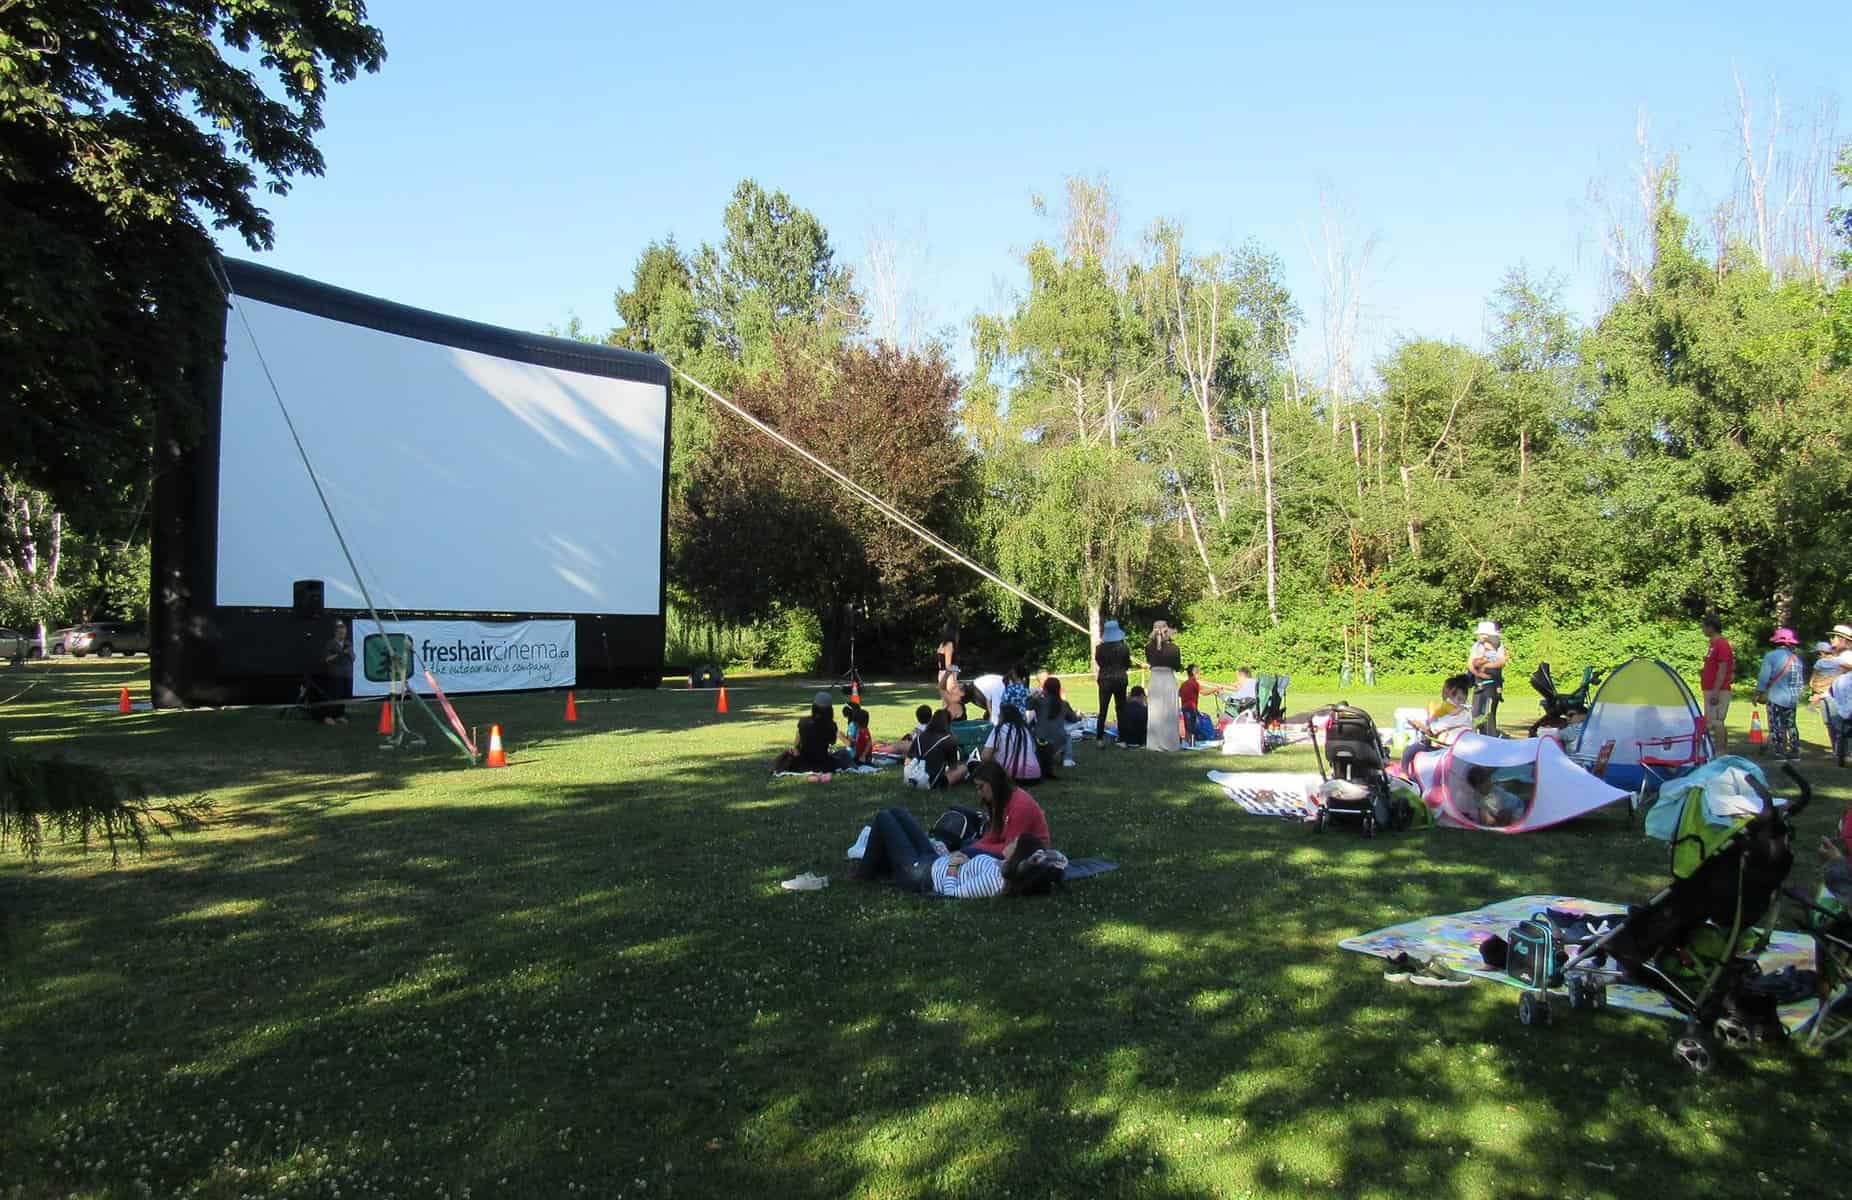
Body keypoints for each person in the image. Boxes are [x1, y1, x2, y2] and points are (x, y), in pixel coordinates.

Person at [848, 809, 1060, 898]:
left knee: (884, 817)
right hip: (933, 861)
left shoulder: (994, 881)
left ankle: (864, 875)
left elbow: (950, 894)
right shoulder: (1001, 866)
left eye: (1015, 842)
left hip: (921, 874)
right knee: (898, 813)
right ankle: (876, 866)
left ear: (1019, 855)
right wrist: (961, 860)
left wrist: (953, 865)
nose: (1011, 840)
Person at [960, 760, 1051, 859]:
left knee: (969, 851)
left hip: (1029, 852)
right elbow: (993, 834)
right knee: (967, 844)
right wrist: (974, 847)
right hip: (1008, 844)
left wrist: (971, 850)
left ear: (994, 783)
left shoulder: (1020, 806)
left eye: (981, 787)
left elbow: (1009, 850)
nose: (979, 793)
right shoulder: (1000, 799)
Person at [1400, 674, 1474, 771]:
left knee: (1410, 750)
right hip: (1447, 747)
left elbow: (1435, 729)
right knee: (1414, 749)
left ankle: (1404, 774)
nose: (1443, 694)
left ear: (1451, 694)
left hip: (1448, 749)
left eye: (1444, 691)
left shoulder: (1461, 713)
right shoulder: (1454, 711)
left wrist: (1424, 723)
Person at [1754, 628, 1805, 761]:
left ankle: (1779, 752)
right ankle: (1794, 752)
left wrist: (1758, 693)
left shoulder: (1770, 656)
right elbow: (1799, 681)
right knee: (1791, 725)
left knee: (1775, 725)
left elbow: (1764, 677)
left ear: (1776, 642)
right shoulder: (1797, 659)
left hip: (1775, 696)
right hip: (1792, 698)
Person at [1144, 620, 1183, 752]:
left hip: (1155, 679)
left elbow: (1150, 661)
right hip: (1168, 679)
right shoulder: (1174, 649)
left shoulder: (1148, 648)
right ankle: (1170, 742)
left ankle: (1154, 742)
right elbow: (1177, 667)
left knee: (1155, 712)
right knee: (1170, 712)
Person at [1699, 615, 1736, 752]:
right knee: (1713, 721)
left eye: (1704, 626)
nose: (1703, 629)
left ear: (1711, 627)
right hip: (1710, 688)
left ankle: (1720, 751)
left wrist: (1716, 690)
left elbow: (1723, 668)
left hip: (1718, 690)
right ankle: (1720, 750)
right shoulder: (1713, 644)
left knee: (1716, 722)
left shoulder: (1721, 644)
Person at [1093, 620, 1132, 749]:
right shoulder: (1124, 648)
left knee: (1103, 708)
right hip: (1120, 678)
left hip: (1104, 679)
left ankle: (1099, 738)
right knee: (1121, 709)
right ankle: (1123, 739)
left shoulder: (1099, 648)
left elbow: (1099, 662)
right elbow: (1127, 664)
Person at [980, 703, 1041, 783]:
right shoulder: (1026, 730)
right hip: (1034, 776)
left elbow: (985, 756)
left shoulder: (999, 730)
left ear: (1003, 716)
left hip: (1010, 776)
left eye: (1000, 714)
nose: (998, 716)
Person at [1031, 676, 1081, 769]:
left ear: (1045, 688)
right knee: (1067, 733)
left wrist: (1035, 696)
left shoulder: (1039, 701)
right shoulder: (1063, 704)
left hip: (1040, 740)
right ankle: (1067, 758)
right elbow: (1073, 719)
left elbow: (1027, 705)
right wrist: (1079, 715)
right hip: (1058, 740)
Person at [904, 709, 963, 789]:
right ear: (948, 723)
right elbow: (953, 767)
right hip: (933, 782)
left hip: (911, 778)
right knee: (963, 768)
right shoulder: (948, 740)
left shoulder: (919, 737)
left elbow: (907, 761)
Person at [1467, 620, 1507, 735]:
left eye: (1481, 634)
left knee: (1489, 712)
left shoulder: (1498, 645)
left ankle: (1490, 735)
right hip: (1479, 683)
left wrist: (1485, 666)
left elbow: (1501, 662)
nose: (1479, 636)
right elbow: (1470, 664)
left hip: (1492, 684)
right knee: (1476, 712)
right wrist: (1478, 672)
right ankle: (1475, 735)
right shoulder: (1477, 646)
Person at [315, 620, 354, 725]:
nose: (343, 634)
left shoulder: (348, 643)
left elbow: (353, 658)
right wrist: (340, 653)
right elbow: (327, 659)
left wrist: (350, 653)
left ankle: (340, 715)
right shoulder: (331, 643)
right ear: (336, 632)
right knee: (333, 696)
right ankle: (327, 716)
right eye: (341, 632)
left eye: (344, 632)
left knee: (344, 696)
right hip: (335, 674)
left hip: (347, 674)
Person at [1179, 664, 1220, 747]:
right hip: (1191, 707)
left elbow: (1179, 693)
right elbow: (1203, 692)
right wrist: (1215, 689)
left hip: (1184, 707)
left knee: (1187, 724)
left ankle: (1187, 741)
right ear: (1196, 674)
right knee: (1192, 725)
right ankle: (1191, 742)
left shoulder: (1184, 684)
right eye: (1199, 674)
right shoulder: (1195, 683)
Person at [936, 618, 960, 687]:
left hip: (942, 674)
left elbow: (940, 664)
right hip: (948, 676)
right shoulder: (949, 645)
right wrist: (954, 681)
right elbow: (948, 666)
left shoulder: (942, 644)